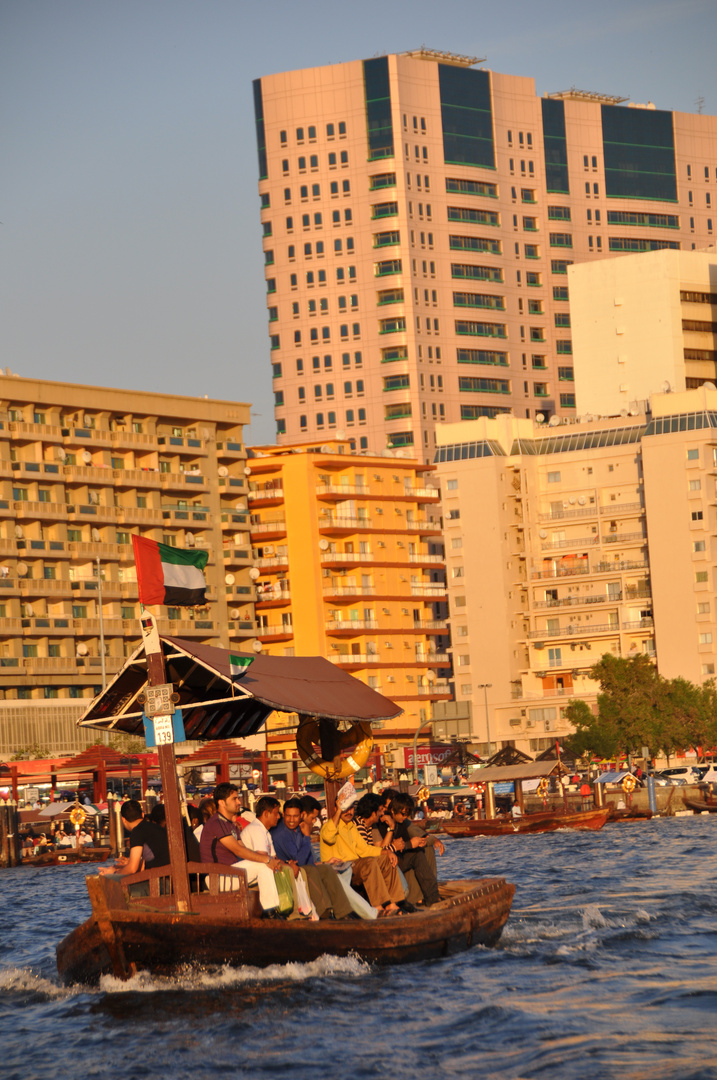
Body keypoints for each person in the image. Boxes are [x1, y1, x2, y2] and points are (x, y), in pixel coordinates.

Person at [199, 783, 284, 915]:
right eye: (234, 799)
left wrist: (267, 860)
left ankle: (271, 910)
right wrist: (267, 859)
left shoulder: (231, 825)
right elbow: (238, 850)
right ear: (221, 802)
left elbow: (243, 849)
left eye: (238, 798)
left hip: (231, 873)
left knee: (266, 865)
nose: (239, 802)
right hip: (216, 878)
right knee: (264, 865)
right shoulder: (217, 823)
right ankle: (271, 911)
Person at [319, 785, 404, 916]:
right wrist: (339, 810)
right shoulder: (328, 826)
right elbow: (329, 837)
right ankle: (378, 907)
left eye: (351, 808)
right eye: (345, 809)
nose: (349, 812)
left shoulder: (351, 827)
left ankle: (393, 903)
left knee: (386, 859)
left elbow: (364, 849)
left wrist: (386, 852)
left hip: (353, 866)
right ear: (337, 809)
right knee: (368, 863)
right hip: (339, 869)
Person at [271, 797, 354, 920]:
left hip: (301, 867)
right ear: (283, 814)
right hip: (287, 871)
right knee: (310, 871)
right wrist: (306, 837)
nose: (291, 820)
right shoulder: (282, 833)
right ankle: (325, 911)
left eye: (295, 816)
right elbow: (301, 860)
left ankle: (343, 912)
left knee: (326, 869)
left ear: (301, 815)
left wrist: (321, 863)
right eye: (288, 816)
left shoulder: (298, 828)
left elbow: (308, 860)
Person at [384, 793, 441, 908]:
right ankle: (431, 897)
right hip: (389, 860)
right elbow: (387, 847)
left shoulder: (403, 823)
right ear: (394, 810)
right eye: (403, 814)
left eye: (407, 814)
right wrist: (410, 844)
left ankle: (432, 897)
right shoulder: (384, 822)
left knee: (423, 849)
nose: (405, 817)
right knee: (417, 855)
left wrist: (422, 841)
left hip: (399, 856)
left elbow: (413, 836)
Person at [99, 799, 169, 877]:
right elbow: (144, 864)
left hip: (159, 881)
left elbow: (132, 869)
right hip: (168, 876)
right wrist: (122, 867)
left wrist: (113, 874)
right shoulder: (155, 828)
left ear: (123, 819)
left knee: (110, 878)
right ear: (142, 815)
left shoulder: (137, 832)